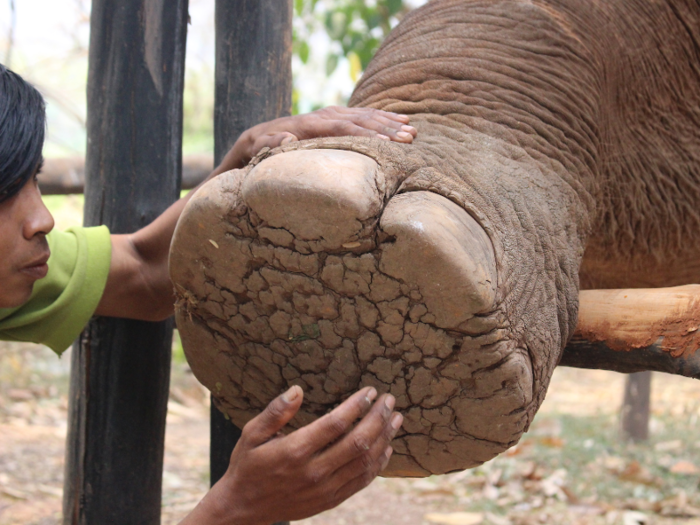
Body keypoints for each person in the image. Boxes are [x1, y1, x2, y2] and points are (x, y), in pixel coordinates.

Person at [0, 64, 415, 523]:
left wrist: (240, 165)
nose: (43, 219)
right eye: (4, 193)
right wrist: (233, 509)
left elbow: (146, 271)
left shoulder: (19, 272)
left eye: (33, 180)